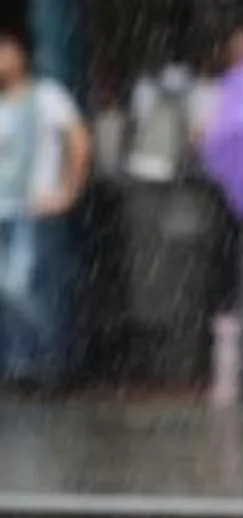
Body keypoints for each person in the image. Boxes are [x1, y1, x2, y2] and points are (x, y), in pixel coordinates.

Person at [0, 26, 91, 391]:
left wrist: (68, 191)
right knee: (8, 292)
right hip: (4, 208)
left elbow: (79, 141)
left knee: (31, 288)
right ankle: (19, 364)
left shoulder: (48, 95)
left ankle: (48, 364)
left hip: (36, 207)